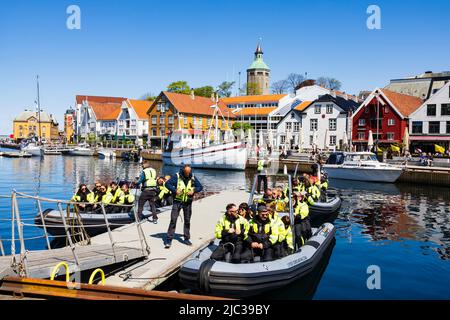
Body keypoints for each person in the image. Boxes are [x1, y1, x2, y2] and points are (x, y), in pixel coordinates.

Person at [164, 165, 203, 248]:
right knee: (173, 220)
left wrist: (194, 190)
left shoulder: (192, 177)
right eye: (186, 172)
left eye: (189, 172)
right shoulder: (177, 176)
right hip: (177, 202)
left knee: (187, 221)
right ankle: (169, 239)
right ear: (183, 171)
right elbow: (167, 184)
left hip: (187, 202)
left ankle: (186, 238)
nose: (187, 174)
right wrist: (175, 190)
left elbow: (200, 186)